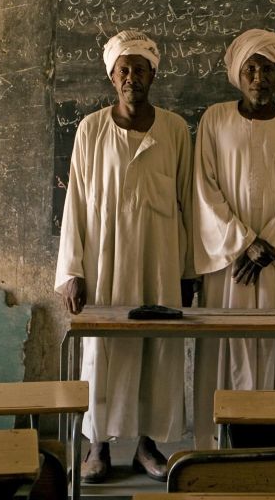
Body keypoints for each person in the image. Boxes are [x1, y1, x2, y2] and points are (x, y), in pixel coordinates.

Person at [54, 30, 195, 483]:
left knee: (157, 349)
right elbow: (74, 201)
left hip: (160, 258)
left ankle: (147, 445)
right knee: (104, 350)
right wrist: (71, 271)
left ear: (154, 73)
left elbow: (188, 201)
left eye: (140, 68)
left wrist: (189, 271)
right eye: (123, 70)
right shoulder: (92, 129)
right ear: (112, 76)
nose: (131, 77)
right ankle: (98, 445)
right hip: (105, 260)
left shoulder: (174, 129)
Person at [192, 29, 275, 447]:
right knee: (229, 345)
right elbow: (204, 188)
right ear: (237, 73)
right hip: (232, 264)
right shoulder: (215, 119)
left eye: (268, 68)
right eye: (251, 67)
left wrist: (270, 246)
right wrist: (244, 242)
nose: (259, 77)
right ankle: (222, 442)